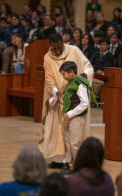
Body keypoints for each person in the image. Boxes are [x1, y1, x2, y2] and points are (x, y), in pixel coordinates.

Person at [38, 33, 94, 169]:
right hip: (58, 98)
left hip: (75, 98)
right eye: (54, 49)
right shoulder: (47, 57)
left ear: (63, 43)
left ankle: (72, 162)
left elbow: (88, 66)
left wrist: (84, 75)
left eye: (59, 48)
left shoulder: (74, 50)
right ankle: (59, 160)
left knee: (72, 136)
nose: (57, 52)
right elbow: (49, 77)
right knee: (58, 132)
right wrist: (56, 92)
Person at [59, 61, 97, 174]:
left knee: (74, 143)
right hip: (70, 115)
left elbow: (84, 103)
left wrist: (70, 113)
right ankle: (71, 164)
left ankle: (79, 167)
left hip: (77, 117)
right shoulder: (71, 82)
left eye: (64, 74)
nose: (63, 77)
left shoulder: (80, 84)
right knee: (68, 140)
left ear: (71, 73)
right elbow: (71, 97)